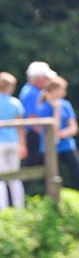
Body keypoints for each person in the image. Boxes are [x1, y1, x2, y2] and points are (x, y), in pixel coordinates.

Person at [37, 76, 79, 193]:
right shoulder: (43, 108)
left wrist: (65, 132)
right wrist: (56, 109)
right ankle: (56, 202)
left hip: (67, 145)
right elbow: (53, 131)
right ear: (54, 90)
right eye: (62, 89)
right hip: (50, 148)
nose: (65, 92)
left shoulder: (66, 104)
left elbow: (74, 128)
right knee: (53, 178)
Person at [18, 61, 56, 167]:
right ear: (38, 78)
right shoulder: (32, 93)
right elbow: (32, 118)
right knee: (32, 167)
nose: (48, 81)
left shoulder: (30, 90)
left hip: (32, 134)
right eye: (45, 78)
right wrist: (46, 135)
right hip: (33, 136)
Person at [0, 72, 27, 210]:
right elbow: (20, 127)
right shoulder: (15, 102)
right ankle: (19, 207)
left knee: (0, 178)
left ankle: (2, 209)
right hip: (13, 142)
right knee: (15, 176)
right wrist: (23, 144)